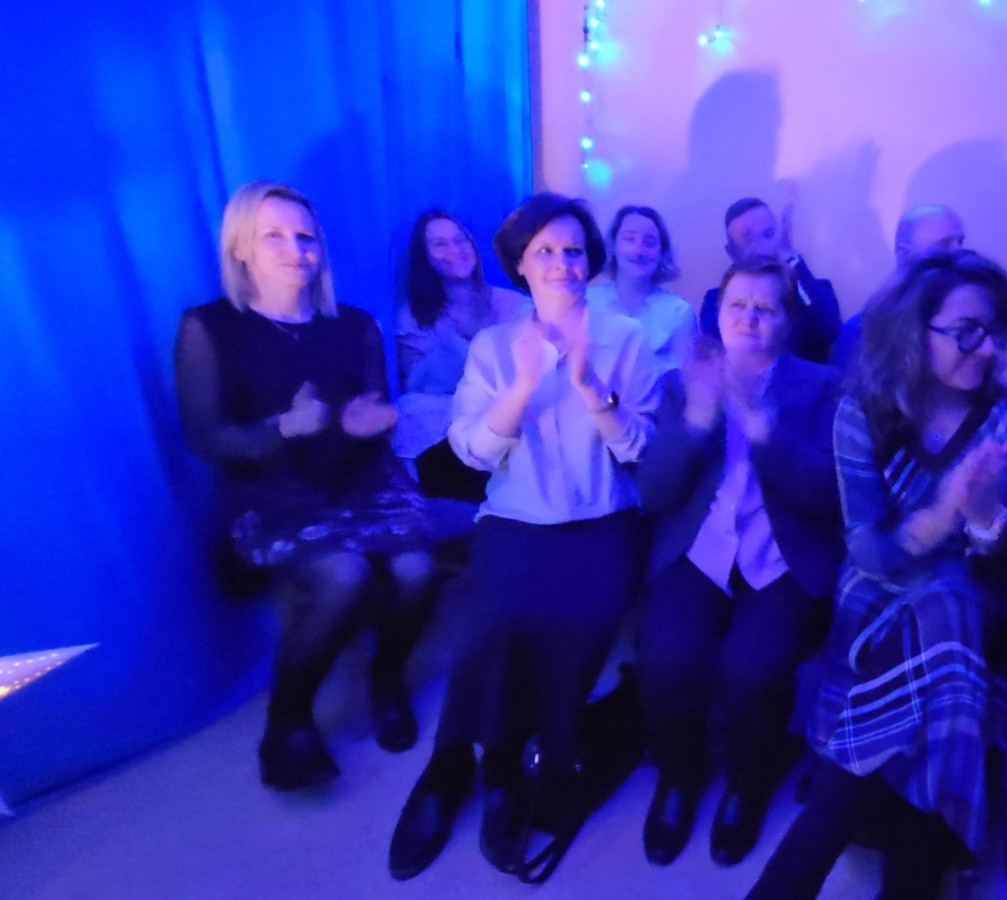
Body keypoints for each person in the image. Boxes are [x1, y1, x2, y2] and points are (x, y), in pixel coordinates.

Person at [747, 249, 1007, 899]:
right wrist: (938, 519)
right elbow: (867, 551)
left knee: (953, 609)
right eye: (966, 331)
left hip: (980, 596)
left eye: (995, 333)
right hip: (880, 594)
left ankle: (791, 875)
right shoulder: (863, 411)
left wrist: (982, 514)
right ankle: (915, 880)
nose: (987, 348)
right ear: (915, 331)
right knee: (947, 637)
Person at [387, 193, 661, 880]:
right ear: (520, 264)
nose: (562, 263)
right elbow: (472, 454)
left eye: (573, 250)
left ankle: (521, 760)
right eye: (545, 251)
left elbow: (642, 450)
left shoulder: (626, 336)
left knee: (583, 621)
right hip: (515, 518)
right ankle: (456, 762)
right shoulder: (494, 345)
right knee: (495, 620)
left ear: (589, 260)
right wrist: (521, 387)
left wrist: (591, 387)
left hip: (603, 521)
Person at [174, 181, 436, 791]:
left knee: (418, 569)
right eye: (275, 236)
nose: (297, 250)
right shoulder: (209, 327)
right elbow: (206, 437)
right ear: (240, 247)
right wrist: (283, 428)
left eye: (306, 237)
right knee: (344, 573)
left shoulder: (355, 324)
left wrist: (369, 423)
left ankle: (386, 678)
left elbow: (370, 417)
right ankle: (287, 722)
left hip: (359, 476)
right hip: (273, 489)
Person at [635, 256, 843, 868]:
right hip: (698, 552)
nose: (749, 318)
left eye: (764, 308)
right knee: (667, 656)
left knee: (749, 669)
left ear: (786, 321)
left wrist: (759, 425)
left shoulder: (824, 388)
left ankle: (747, 786)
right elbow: (654, 494)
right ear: (718, 313)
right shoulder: (682, 383)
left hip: (781, 557)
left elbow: (824, 495)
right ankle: (678, 777)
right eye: (737, 306)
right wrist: (698, 420)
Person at [393, 209, 529, 503]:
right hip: (445, 432)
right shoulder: (412, 318)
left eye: (460, 240)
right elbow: (418, 390)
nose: (454, 250)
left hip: (510, 421)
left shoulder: (515, 306)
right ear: (424, 256)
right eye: (440, 244)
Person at [699, 197, 841, 364]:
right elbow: (715, 345)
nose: (761, 246)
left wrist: (790, 257)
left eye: (769, 234)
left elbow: (827, 331)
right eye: (747, 239)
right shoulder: (714, 301)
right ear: (731, 252)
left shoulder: (815, 290)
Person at [830, 204, 966, 372]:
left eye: (960, 242)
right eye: (944, 245)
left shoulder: (975, 317)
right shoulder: (863, 333)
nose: (960, 253)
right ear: (904, 255)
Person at [585, 205, 697, 373]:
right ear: (613, 246)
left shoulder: (679, 312)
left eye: (649, 243)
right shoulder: (587, 301)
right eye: (629, 239)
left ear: (662, 253)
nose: (639, 250)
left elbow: (682, 380)